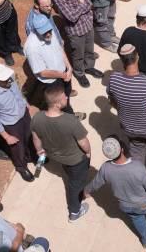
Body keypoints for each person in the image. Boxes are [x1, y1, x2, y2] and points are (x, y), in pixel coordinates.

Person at [84, 136, 146, 251]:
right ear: (121, 149)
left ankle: (145, 241)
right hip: (144, 204)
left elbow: (94, 184)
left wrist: (85, 192)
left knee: (138, 221)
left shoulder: (105, 168)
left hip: (125, 206)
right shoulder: (137, 167)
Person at [31, 85, 91, 222]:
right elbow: (83, 143)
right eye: (64, 96)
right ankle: (74, 212)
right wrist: (88, 153)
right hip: (76, 160)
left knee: (70, 173)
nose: (67, 97)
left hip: (57, 156)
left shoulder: (37, 118)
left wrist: (40, 151)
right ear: (58, 104)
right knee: (74, 185)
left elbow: (36, 138)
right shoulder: (71, 121)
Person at [107, 44, 146, 169]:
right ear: (137, 57)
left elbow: (112, 101)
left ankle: (138, 174)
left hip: (129, 129)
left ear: (122, 60)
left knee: (136, 154)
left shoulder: (113, 79)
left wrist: (121, 108)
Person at [24, 13, 85, 118]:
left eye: (49, 30)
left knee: (66, 94)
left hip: (64, 73)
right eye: (44, 33)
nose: (48, 34)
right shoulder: (31, 48)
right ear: (35, 30)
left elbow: (60, 49)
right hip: (52, 82)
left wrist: (69, 68)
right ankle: (70, 117)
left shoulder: (50, 31)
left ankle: (67, 95)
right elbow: (42, 72)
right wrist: (62, 75)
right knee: (60, 103)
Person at [0, 63, 35, 182]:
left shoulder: (9, 80)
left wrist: (24, 101)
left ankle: (32, 157)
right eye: (4, 79)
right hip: (11, 125)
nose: (8, 80)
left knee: (29, 137)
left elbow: (17, 93)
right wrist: (6, 137)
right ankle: (21, 167)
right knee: (17, 148)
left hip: (23, 114)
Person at [54, 0, 104, 88]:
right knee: (78, 55)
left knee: (89, 50)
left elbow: (89, 4)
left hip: (87, 25)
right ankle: (80, 73)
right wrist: (81, 5)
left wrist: (79, 8)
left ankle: (89, 67)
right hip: (75, 31)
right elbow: (71, 17)